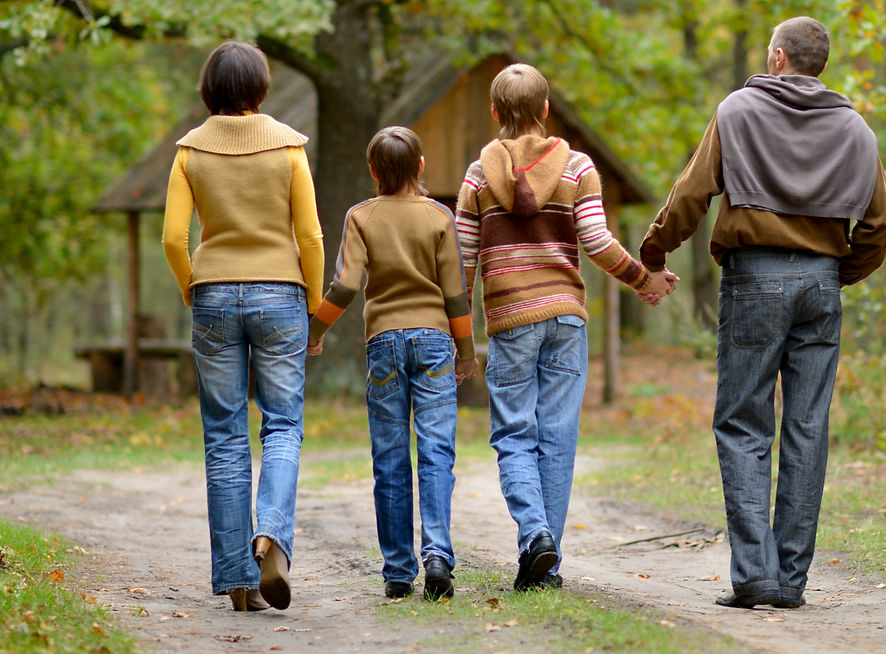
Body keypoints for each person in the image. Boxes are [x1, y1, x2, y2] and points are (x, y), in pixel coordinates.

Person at [639, 17, 886, 609]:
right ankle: (792, 582)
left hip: (754, 280)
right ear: (820, 64)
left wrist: (653, 252)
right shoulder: (856, 130)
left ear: (778, 57)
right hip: (822, 287)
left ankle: (756, 576)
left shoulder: (737, 112)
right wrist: (838, 273)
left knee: (743, 423)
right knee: (807, 428)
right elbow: (881, 225)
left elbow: (690, 194)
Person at [455, 63, 676, 591]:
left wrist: (458, 334)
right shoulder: (578, 167)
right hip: (565, 320)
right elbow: (597, 241)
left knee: (513, 435)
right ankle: (544, 565)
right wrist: (642, 278)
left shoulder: (477, 176)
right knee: (556, 439)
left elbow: (463, 262)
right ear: (546, 110)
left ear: (494, 114)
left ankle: (535, 537)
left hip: (510, 320)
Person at [162, 41, 324, 612]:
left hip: (212, 297)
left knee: (224, 437)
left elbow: (172, 238)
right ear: (261, 86)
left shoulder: (189, 151)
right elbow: (309, 237)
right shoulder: (288, 147)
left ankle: (237, 582)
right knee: (282, 425)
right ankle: (271, 538)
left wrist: (193, 286)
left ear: (209, 88)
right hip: (281, 294)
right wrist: (311, 302)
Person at [306, 126, 478, 600]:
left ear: (373, 171)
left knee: (390, 459)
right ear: (421, 166)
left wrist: (314, 331)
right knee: (437, 451)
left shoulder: (361, 216)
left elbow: (344, 286)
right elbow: (455, 295)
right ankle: (438, 555)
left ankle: (398, 572)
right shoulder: (440, 217)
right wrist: (466, 353)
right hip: (434, 342)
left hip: (383, 342)